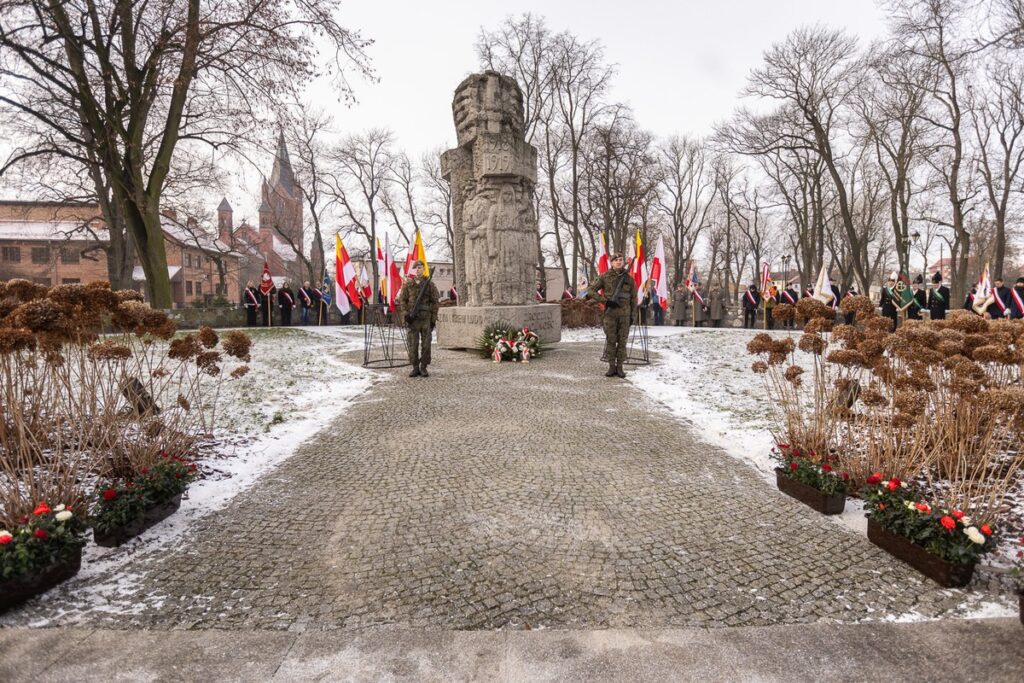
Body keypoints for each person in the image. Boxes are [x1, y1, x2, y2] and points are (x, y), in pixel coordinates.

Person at [587, 254, 636, 378]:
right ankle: (611, 366)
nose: (619, 262)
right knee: (611, 340)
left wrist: (632, 315)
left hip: (625, 315)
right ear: (612, 263)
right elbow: (591, 290)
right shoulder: (605, 276)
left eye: (621, 260)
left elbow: (634, 299)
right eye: (616, 260)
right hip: (610, 315)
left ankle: (620, 367)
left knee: (622, 341)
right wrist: (605, 301)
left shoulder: (629, 279)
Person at [397, 260, 439, 378]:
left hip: (426, 318)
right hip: (413, 319)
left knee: (426, 344)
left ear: (423, 269)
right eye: (416, 268)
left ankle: (424, 367)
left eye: (420, 268)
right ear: (413, 270)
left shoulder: (429, 284)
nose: (418, 270)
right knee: (413, 344)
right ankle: (415, 367)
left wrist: (433, 318)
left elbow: (435, 302)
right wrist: (405, 314)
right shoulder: (408, 284)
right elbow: (402, 300)